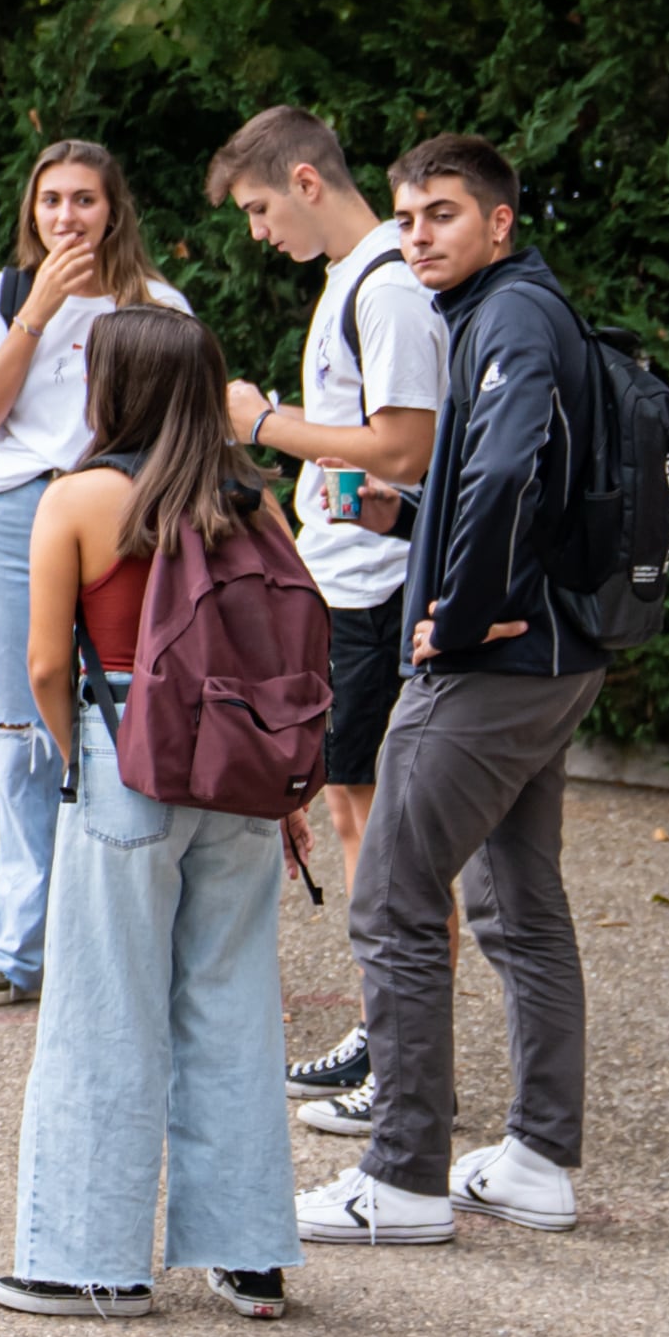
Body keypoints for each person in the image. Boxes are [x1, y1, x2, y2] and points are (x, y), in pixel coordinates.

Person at [298, 133, 607, 1252]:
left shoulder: (511, 318)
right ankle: (534, 1160)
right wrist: (398, 521)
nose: (417, 235)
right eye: (407, 216)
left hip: (493, 665)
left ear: (498, 221)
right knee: (518, 907)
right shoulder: (510, 311)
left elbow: (506, 466)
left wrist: (463, 612)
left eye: (441, 214)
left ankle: (403, 1176)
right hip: (555, 655)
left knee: (390, 894)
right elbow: (502, 483)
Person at [0, 307, 313, 1320]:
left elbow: (45, 662)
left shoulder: (81, 498)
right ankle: (248, 1253)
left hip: (124, 748)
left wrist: (78, 752)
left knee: (103, 1004)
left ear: (111, 388)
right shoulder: (253, 503)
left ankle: (89, 1260)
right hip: (238, 771)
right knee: (229, 1003)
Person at [202, 105, 444, 1119]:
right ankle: (384, 1037)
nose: (256, 231)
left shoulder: (383, 290)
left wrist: (261, 423)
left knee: (370, 824)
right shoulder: (355, 284)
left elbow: (402, 448)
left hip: (371, 590)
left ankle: (398, 1061)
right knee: (358, 815)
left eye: (259, 207)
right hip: (346, 578)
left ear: (306, 181)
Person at [0, 141, 200, 1009]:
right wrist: (36, 316)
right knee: (19, 731)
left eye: (83, 200)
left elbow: (185, 434)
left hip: (121, 513)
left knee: (123, 710)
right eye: (50, 200)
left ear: (113, 210)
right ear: (31, 211)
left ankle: (118, 928)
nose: (65, 218)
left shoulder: (154, 304)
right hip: (15, 518)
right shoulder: (5, 294)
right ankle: (20, 946)